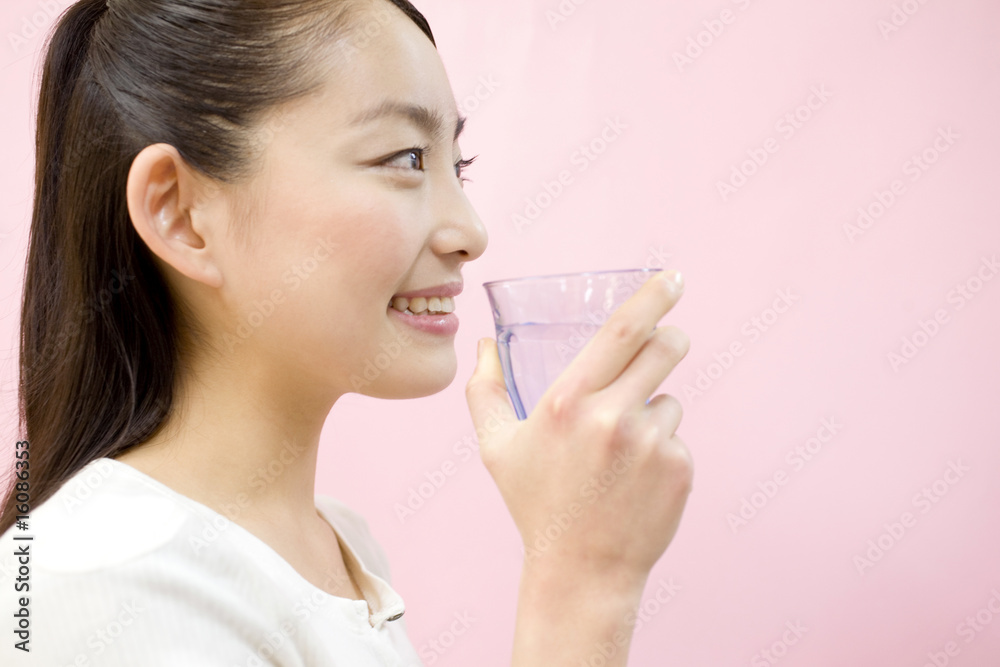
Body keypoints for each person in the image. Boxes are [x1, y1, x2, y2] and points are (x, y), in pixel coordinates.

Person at [0, 0, 694, 664]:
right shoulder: (102, 581)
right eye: (404, 159)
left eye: (459, 165)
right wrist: (583, 579)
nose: (470, 233)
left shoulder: (335, 546)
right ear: (182, 213)